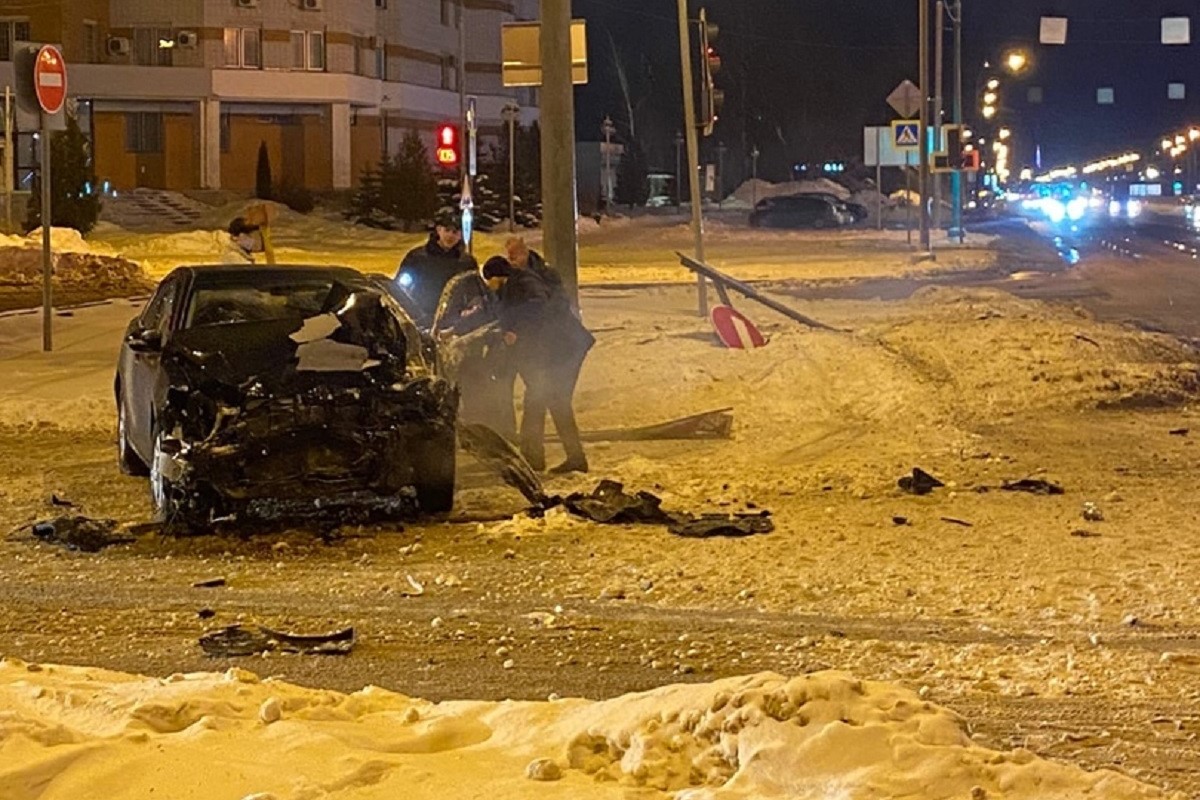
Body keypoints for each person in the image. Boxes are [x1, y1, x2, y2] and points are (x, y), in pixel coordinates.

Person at [482, 255, 594, 474]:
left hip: (564, 349)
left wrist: (516, 329)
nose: (489, 286)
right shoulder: (512, 287)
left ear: (497, 277)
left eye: (490, 280)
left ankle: (558, 458)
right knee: (541, 398)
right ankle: (542, 457)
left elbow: (538, 306)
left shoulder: (523, 282)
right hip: (552, 350)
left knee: (551, 400)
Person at [394, 211, 478, 327]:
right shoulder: (417, 258)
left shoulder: (466, 263)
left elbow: (474, 293)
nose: (450, 236)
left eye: (455, 232)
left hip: (454, 323)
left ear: (461, 235)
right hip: (420, 319)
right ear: (439, 230)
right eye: (447, 230)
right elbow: (400, 289)